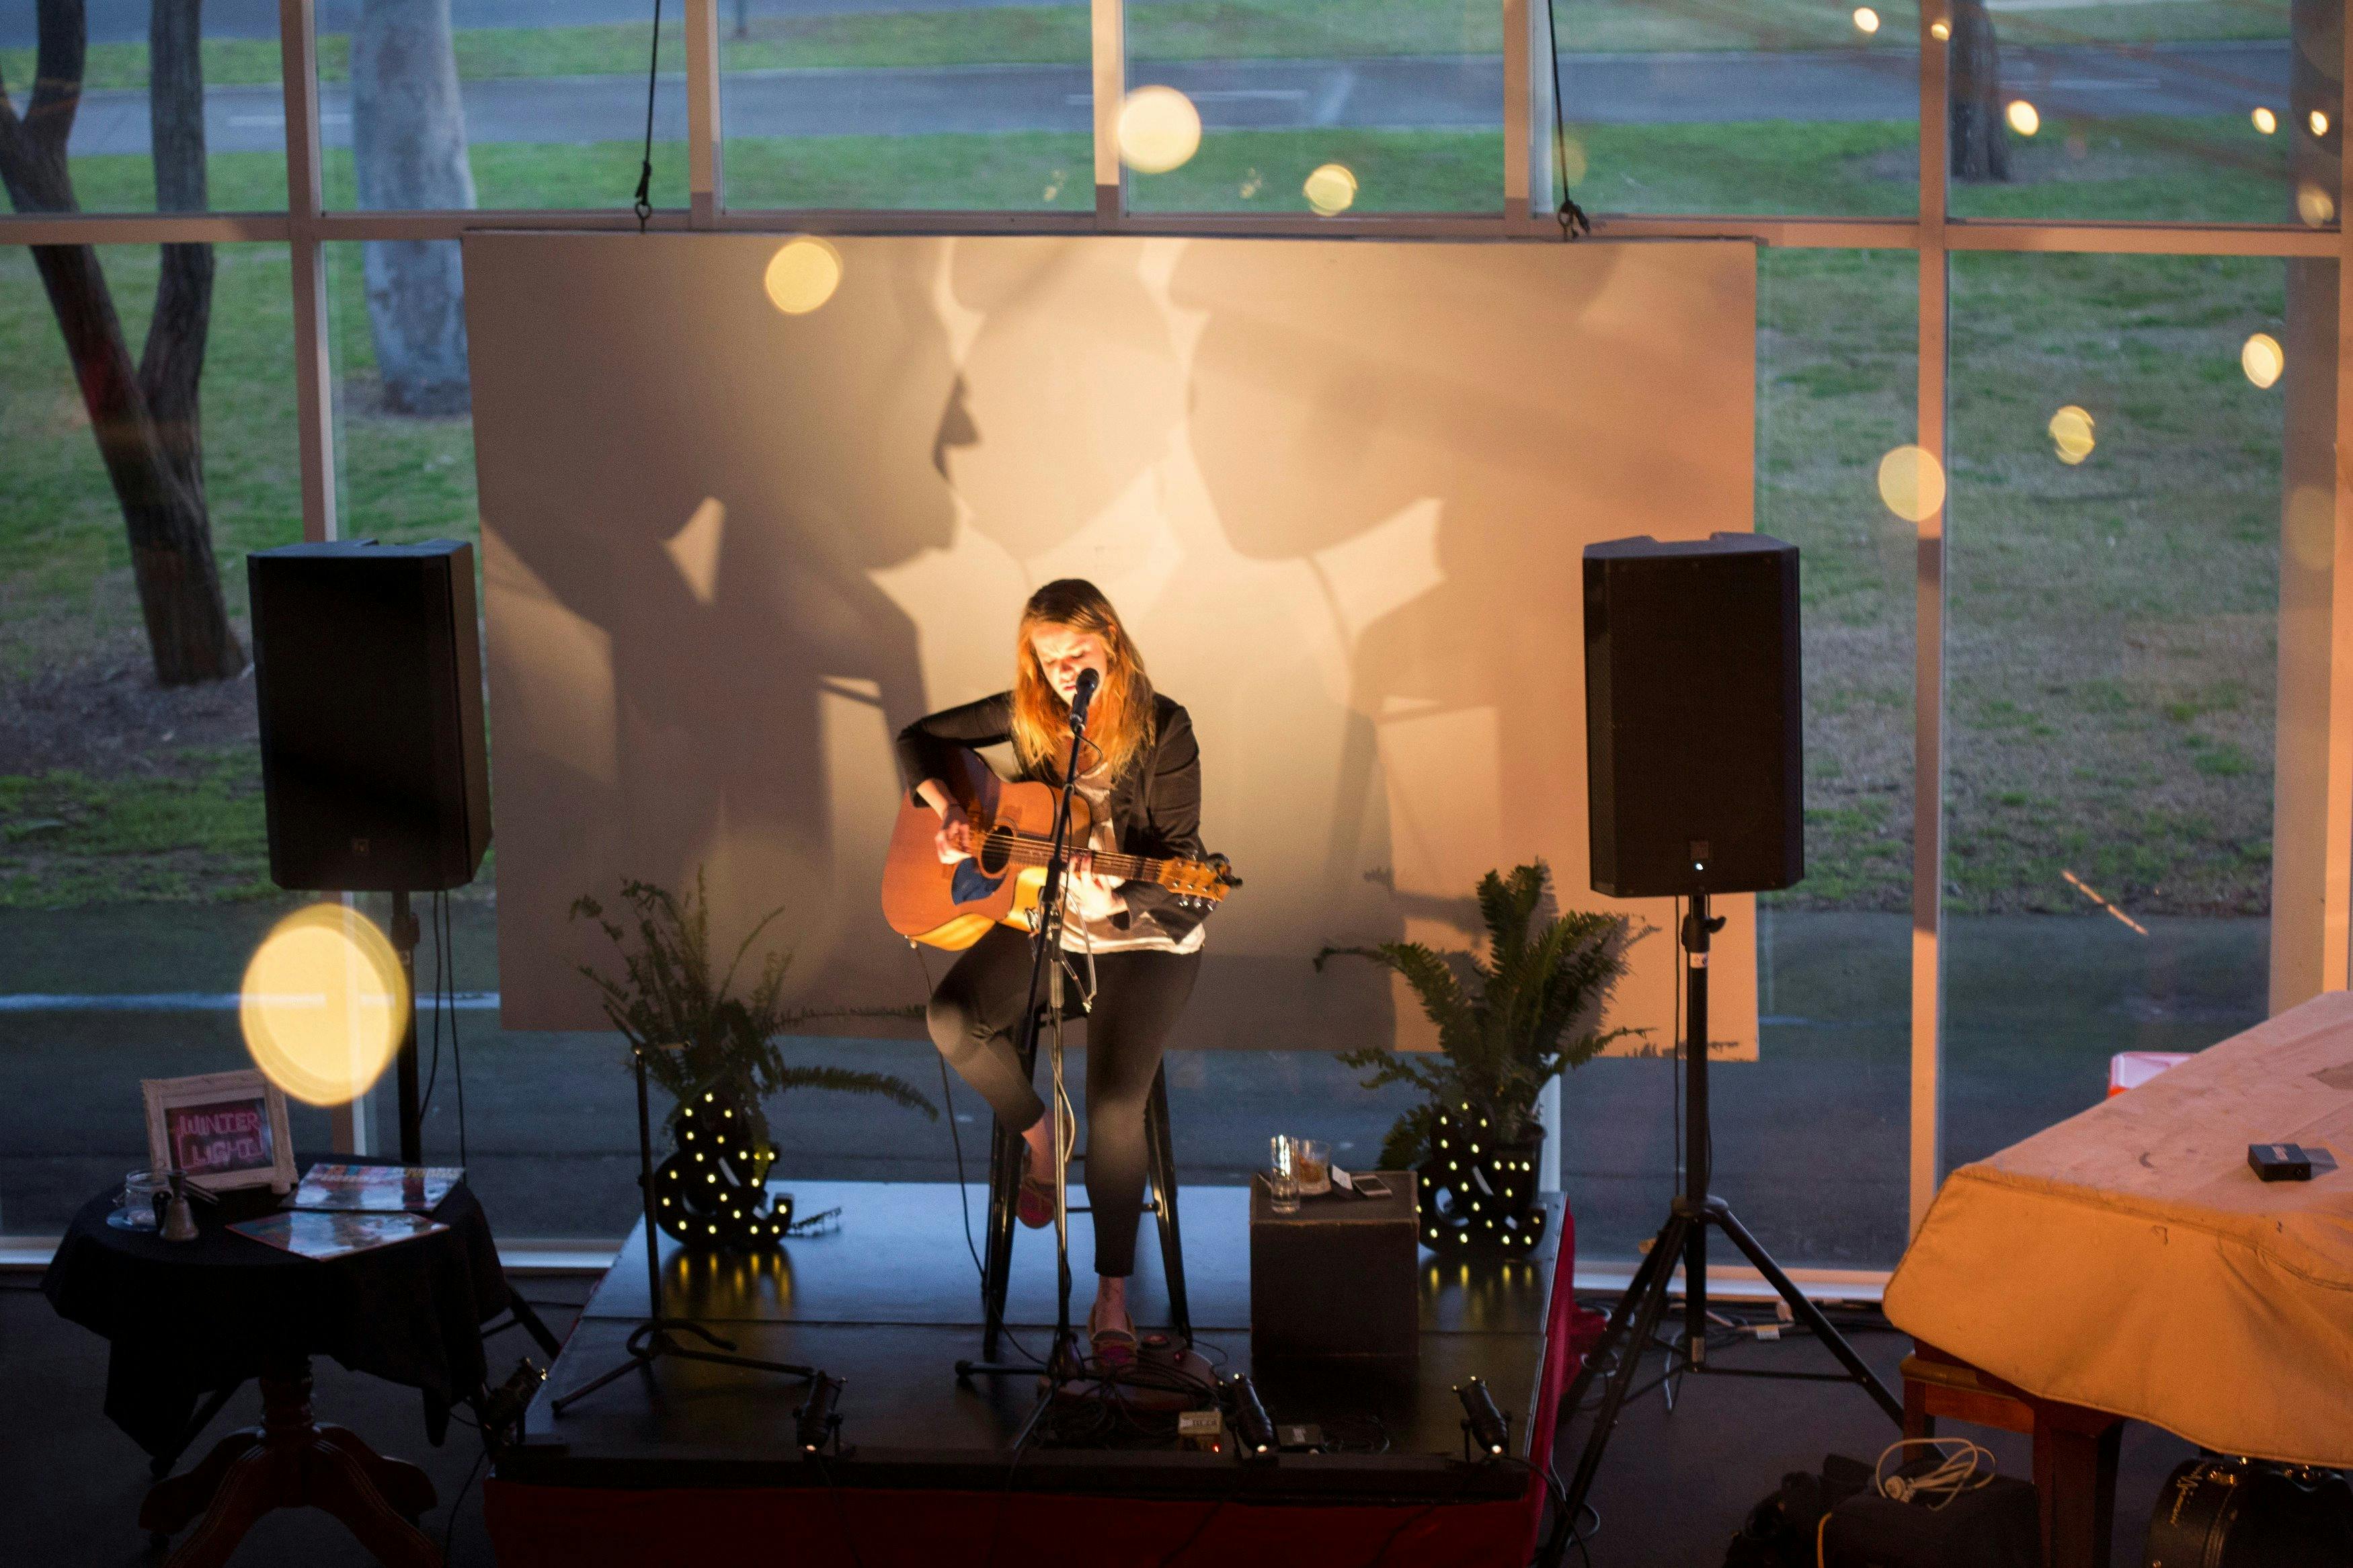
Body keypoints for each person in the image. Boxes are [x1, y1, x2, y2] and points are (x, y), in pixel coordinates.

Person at [896, 579, 1211, 1365]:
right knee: (950, 1017)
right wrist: (952, 813)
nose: (1065, 670)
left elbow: (1183, 861)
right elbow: (917, 737)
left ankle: (1110, 1292)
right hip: (1053, 919)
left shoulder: (1165, 727)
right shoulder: (1029, 712)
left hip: (1141, 930)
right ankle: (1040, 1131)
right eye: (1049, 657)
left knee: (1113, 1105)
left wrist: (1121, 883)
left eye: (1078, 654)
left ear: (1110, 640)